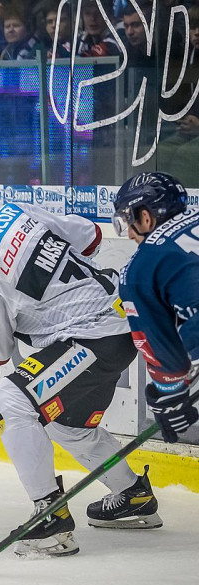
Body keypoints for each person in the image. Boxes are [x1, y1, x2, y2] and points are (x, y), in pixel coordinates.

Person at [0, 187, 162, 559]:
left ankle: (50, 517)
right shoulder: (13, 212)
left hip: (93, 339)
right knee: (67, 425)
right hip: (121, 317)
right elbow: (91, 238)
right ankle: (133, 494)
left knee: (8, 400)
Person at [113, 172, 199, 446]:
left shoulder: (140, 268)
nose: (129, 234)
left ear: (145, 217)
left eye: (127, 221)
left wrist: (169, 395)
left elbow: (165, 358)